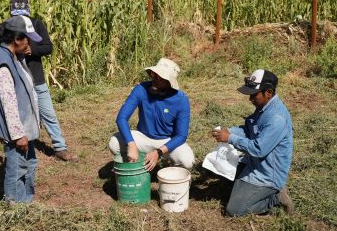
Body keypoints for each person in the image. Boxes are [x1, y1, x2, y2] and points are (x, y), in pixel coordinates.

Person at [0, 0, 77, 162]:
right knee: (17, 113)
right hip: (16, 80)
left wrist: (32, 50)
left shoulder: (37, 24)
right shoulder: (3, 27)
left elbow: (47, 47)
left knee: (48, 113)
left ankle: (60, 147)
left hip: (36, 78)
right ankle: (18, 145)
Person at [212, 69, 294, 216]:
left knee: (234, 210)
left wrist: (230, 138)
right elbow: (250, 131)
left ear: (268, 92)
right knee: (221, 171)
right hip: (254, 163)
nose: (250, 99)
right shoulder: (263, 108)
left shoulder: (277, 118)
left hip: (266, 174)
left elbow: (258, 149)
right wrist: (230, 131)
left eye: (253, 94)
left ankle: (275, 198)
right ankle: (244, 186)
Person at [0, 15, 42, 203]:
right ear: (16, 39)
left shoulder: (13, 56)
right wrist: (18, 135)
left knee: (29, 164)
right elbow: (8, 103)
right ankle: (16, 209)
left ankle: (26, 203)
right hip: (17, 130)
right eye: (27, 39)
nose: (29, 44)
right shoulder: (3, 63)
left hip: (24, 126)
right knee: (17, 169)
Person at [109, 58, 195, 171]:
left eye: (160, 77)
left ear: (169, 82)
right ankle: (135, 166)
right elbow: (121, 118)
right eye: (154, 74)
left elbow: (181, 136)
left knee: (187, 161)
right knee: (114, 143)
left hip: (167, 141)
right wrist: (131, 144)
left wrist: (158, 152)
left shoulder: (181, 100)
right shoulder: (141, 89)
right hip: (143, 137)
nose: (155, 79)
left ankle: (171, 171)